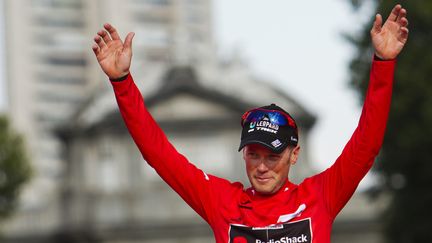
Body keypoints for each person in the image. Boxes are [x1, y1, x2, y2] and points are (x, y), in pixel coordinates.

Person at [92, 4, 408, 243]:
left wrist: (383, 64)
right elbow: (158, 153)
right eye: (253, 154)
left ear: (293, 155)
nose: (261, 166)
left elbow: (366, 145)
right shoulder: (223, 202)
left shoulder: (320, 195)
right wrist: (122, 81)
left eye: (273, 155)